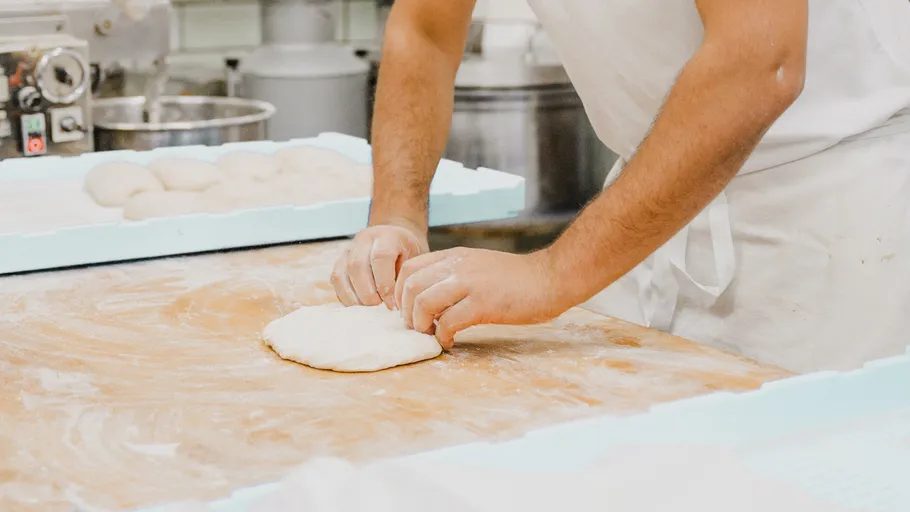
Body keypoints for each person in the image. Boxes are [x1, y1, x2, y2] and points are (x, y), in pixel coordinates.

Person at [331, 0, 910, 373]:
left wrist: (552, 274)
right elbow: (425, 29)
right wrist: (398, 213)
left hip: (831, 225)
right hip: (649, 213)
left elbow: (763, 61)